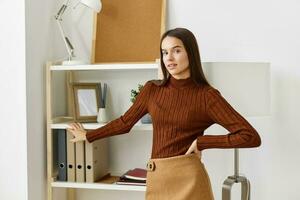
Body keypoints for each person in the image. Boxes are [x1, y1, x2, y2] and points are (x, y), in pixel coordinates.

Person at [68, 28, 261, 200]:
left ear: (191, 54)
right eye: (164, 52)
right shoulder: (152, 90)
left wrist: (203, 142)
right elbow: (125, 122)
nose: (168, 58)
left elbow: (250, 136)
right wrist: (88, 135)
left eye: (176, 50)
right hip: (158, 177)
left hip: (190, 179)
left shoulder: (207, 96)